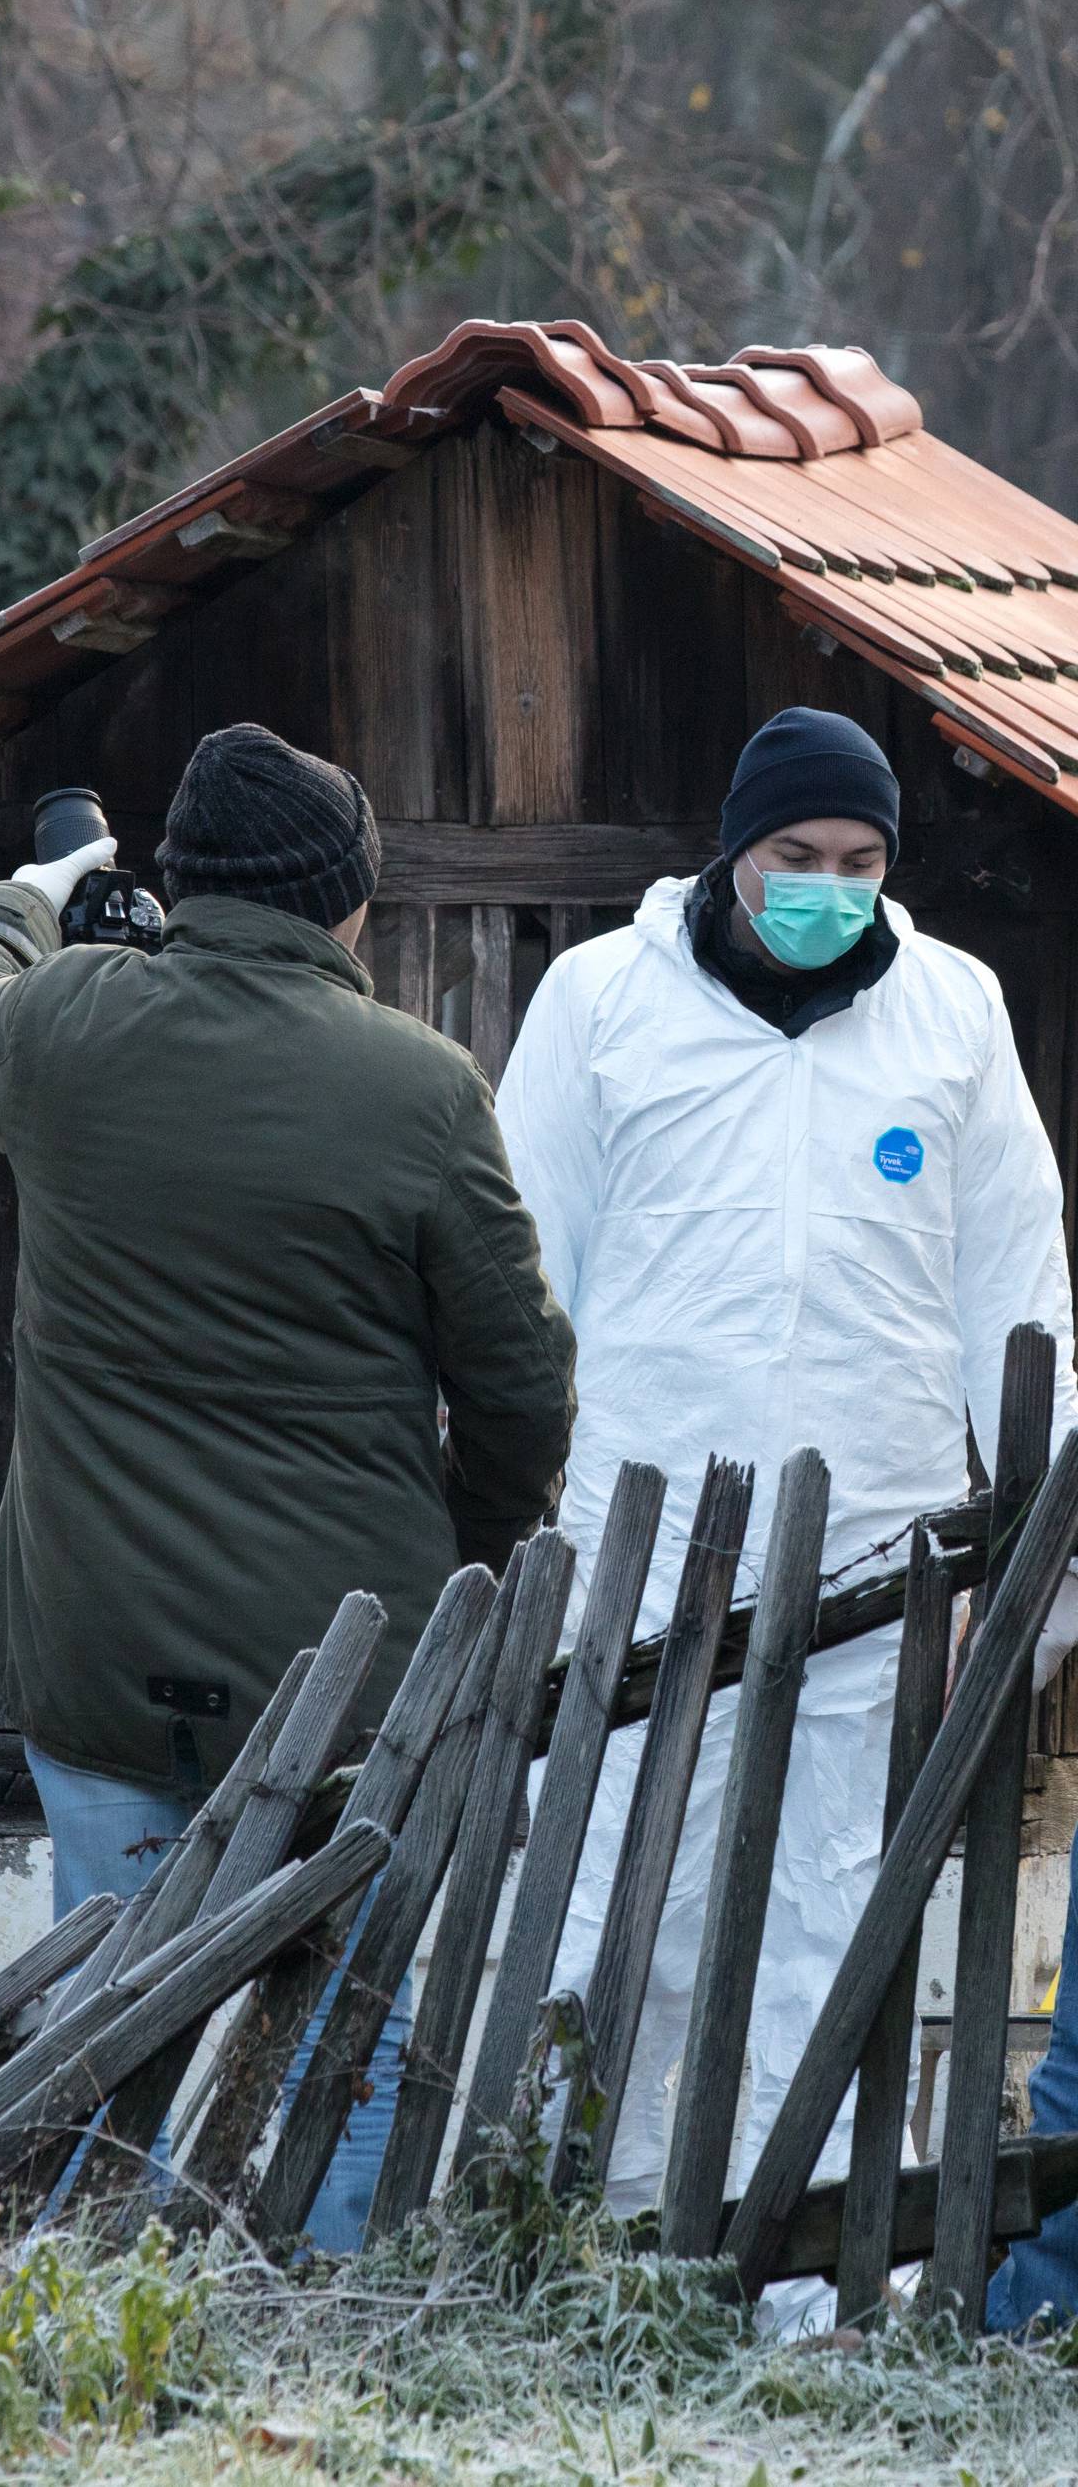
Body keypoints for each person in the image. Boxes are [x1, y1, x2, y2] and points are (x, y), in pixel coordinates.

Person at [0, 720, 576, 2244]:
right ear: (348, 905)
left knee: (113, 2009)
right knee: (350, 2030)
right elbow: (522, 1390)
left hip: (100, 1659)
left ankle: (107, 2338)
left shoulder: (67, 1027)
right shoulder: (420, 1087)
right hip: (343, 1673)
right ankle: (328, 2356)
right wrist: (450, 1560)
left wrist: (44, 883)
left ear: (181, 878)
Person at [496, 705, 1078, 2260]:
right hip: (649, 1556)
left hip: (884, 1565)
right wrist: (520, 1524)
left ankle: (808, 2294)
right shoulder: (605, 1003)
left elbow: (1018, 1297)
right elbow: (519, 1275)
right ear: (734, 854)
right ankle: (592, 2264)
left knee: (833, 1934)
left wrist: (1030, 1576)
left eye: (861, 862)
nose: (829, 888)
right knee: (631, 1917)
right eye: (797, 859)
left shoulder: (952, 1016)